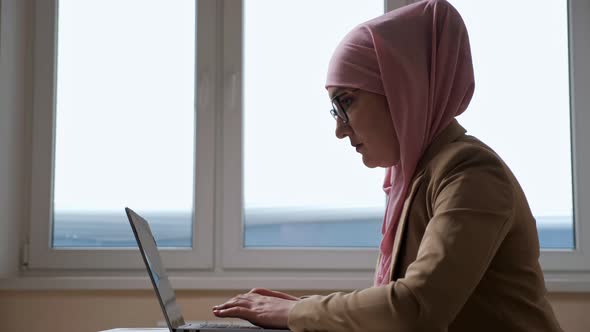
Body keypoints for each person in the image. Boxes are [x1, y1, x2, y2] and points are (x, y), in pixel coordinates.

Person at [212, 0, 564, 331]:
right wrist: (304, 310)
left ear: (400, 89)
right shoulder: (421, 175)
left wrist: (296, 312)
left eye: (346, 101)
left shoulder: (469, 172)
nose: (339, 128)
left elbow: (416, 307)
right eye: (335, 108)